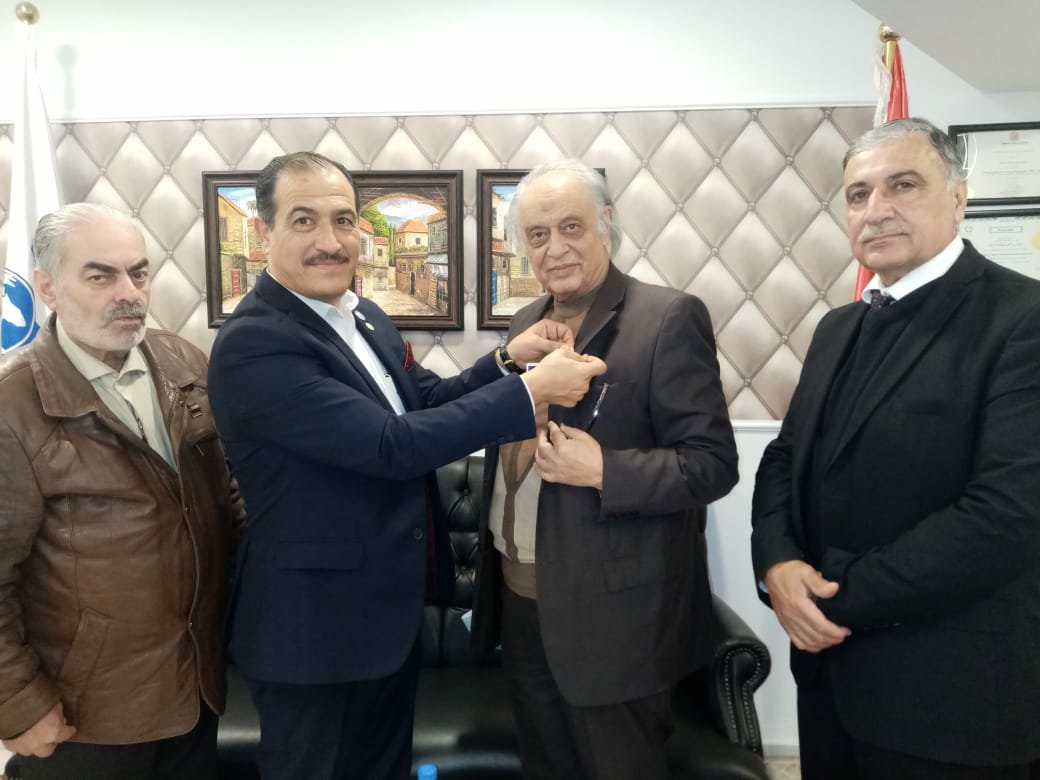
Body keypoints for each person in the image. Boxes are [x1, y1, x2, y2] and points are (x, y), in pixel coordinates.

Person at [206, 151, 605, 780]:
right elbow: (391, 446)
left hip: (384, 622)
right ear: (263, 232)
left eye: (343, 220)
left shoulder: (362, 315)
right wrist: (531, 392)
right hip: (312, 635)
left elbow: (424, 401)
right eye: (304, 220)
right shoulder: (256, 343)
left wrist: (507, 360)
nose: (331, 240)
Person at [751, 118, 1040, 779]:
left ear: (959, 197)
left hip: (950, 700)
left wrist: (827, 598)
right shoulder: (838, 327)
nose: (876, 209)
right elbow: (785, 459)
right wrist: (776, 564)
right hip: (829, 683)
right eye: (858, 194)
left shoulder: (1022, 318)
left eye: (903, 185)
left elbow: (1005, 518)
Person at [470, 159, 739, 780]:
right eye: (538, 234)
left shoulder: (667, 317)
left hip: (616, 618)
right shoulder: (524, 325)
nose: (555, 248)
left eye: (571, 227)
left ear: (606, 224)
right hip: (521, 601)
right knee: (546, 766)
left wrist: (604, 470)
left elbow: (712, 464)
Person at [0, 204, 241, 780]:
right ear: (48, 288)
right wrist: (18, 702)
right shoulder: (13, 407)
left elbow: (225, 499)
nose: (128, 293)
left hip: (195, 693)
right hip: (86, 717)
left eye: (138, 273)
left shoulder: (183, 361)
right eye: (100, 275)